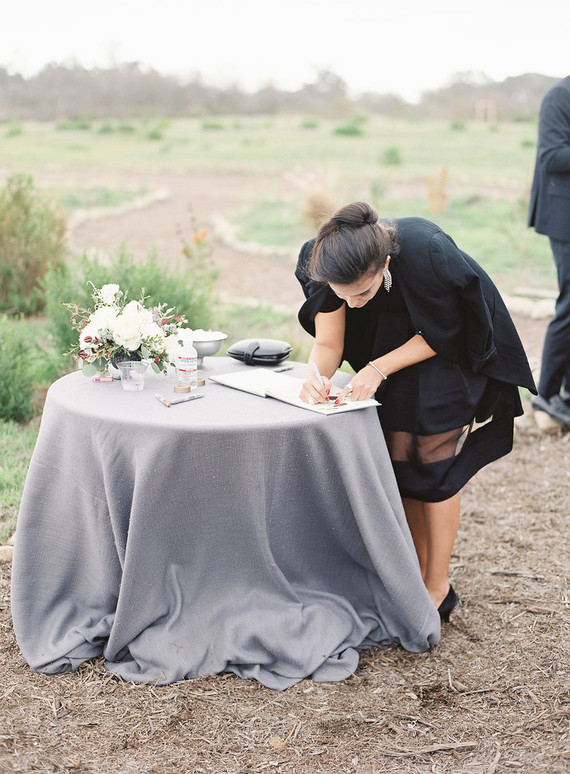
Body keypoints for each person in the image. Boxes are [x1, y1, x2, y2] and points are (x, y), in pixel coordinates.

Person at [295, 202, 536, 621]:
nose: (353, 305)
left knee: (433, 459)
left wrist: (377, 368)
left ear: (385, 263)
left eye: (364, 294)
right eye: (343, 296)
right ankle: (414, 572)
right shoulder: (322, 260)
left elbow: (448, 331)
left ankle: (437, 585)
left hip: (447, 352)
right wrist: (316, 375)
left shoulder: (427, 251)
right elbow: (330, 344)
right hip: (389, 351)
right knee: (399, 456)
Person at [528, 75, 570, 425]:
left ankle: (565, 398)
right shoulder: (559, 96)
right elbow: (553, 157)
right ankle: (546, 396)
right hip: (564, 217)